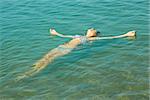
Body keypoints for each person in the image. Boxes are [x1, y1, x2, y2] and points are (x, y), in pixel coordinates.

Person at [18, 28, 136, 79]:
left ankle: (32, 74)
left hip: (66, 50)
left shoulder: (91, 39)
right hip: (61, 47)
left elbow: (111, 38)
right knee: (44, 58)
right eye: (90, 28)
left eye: (93, 29)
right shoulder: (79, 35)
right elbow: (63, 36)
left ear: (93, 34)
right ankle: (29, 71)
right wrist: (55, 33)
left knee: (48, 61)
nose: (91, 28)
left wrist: (126, 34)